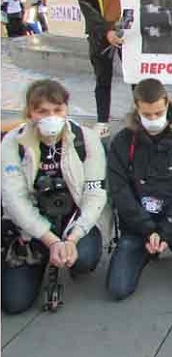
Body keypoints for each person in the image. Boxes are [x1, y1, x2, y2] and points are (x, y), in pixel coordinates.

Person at [1, 79, 107, 314]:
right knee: (14, 303)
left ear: (66, 108)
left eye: (57, 110)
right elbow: (13, 199)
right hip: (30, 230)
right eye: (42, 111)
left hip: (73, 222)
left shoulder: (85, 139)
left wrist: (73, 237)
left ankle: (72, 254)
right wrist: (50, 240)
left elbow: (95, 193)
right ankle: (40, 260)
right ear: (30, 112)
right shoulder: (12, 143)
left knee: (85, 259)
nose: (51, 117)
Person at [106, 78, 172, 300]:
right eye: (147, 115)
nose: (153, 119)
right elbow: (120, 191)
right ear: (137, 109)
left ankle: (170, 246)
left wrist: (166, 228)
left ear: (167, 104)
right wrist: (147, 229)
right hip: (138, 226)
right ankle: (146, 252)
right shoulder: (123, 141)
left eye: (158, 113)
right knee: (118, 289)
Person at [73, 0, 130, 139]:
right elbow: (86, 5)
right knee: (102, 79)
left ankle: (143, 117)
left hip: (128, 27)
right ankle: (102, 121)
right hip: (100, 31)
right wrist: (105, 30)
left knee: (136, 77)